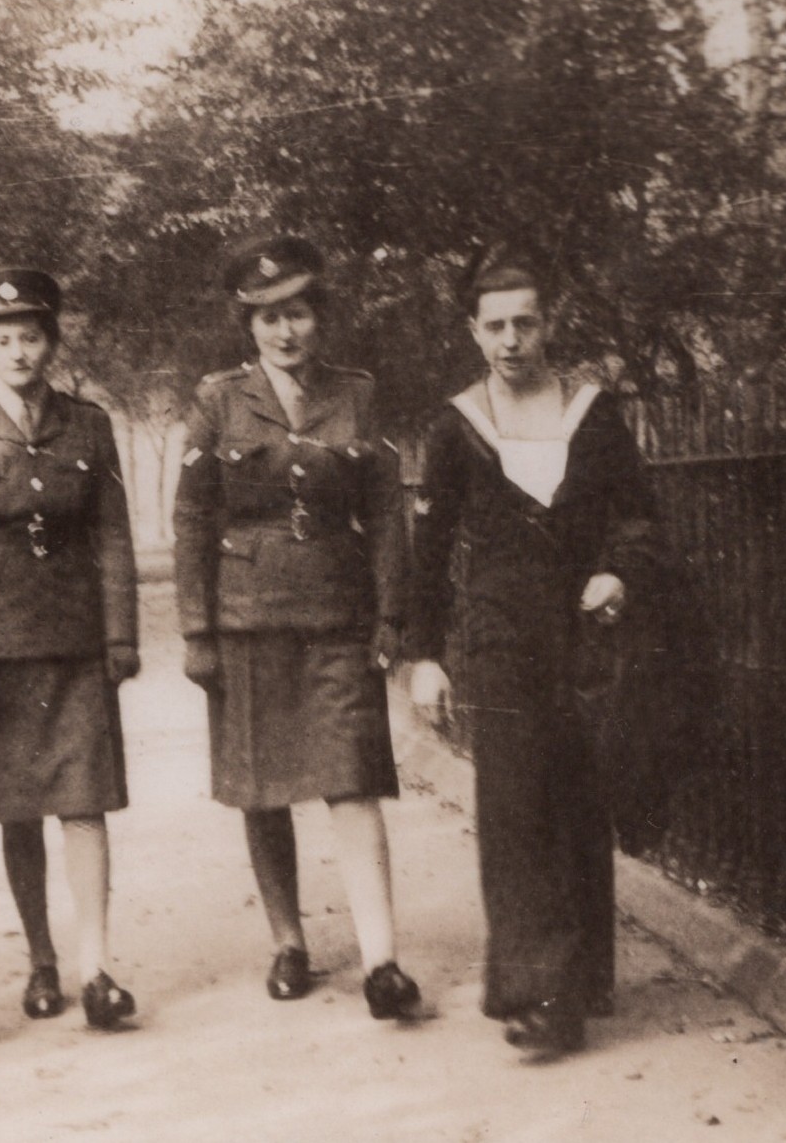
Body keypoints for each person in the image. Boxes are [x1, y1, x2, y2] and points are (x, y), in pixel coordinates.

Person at [406, 242, 660, 1057]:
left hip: (583, 636)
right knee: (516, 810)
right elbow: (428, 550)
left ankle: (584, 979)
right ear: (474, 332)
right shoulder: (456, 426)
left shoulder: (593, 414)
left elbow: (639, 515)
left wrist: (618, 571)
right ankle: (538, 994)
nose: (511, 341)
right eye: (495, 327)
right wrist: (424, 655)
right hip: (500, 639)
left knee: (581, 800)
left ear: (549, 324)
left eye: (525, 323)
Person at [172, 235, 421, 1021]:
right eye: (269, 317)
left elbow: (386, 512)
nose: (286, 331)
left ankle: (382, 960)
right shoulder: (218, 399)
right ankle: (289, 943)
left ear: (321, 317)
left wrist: (392, 614)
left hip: (339, 614)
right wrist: (197, 631)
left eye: (299, 313)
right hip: (249, 617)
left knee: (353, 779)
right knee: (263, 788)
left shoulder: (357, 394)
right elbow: (192, 518)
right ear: (248, 325)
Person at [0, 269, 142, 1031]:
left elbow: (113, 534)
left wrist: (121, 634)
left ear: (50, 344)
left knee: (85, 804)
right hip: (0, 651)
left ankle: (97, 968)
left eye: (31, 336)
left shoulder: (89, 426)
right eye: (3, 339)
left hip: (76, 644)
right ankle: (41, 961)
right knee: (18, 813)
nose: (18, 351)